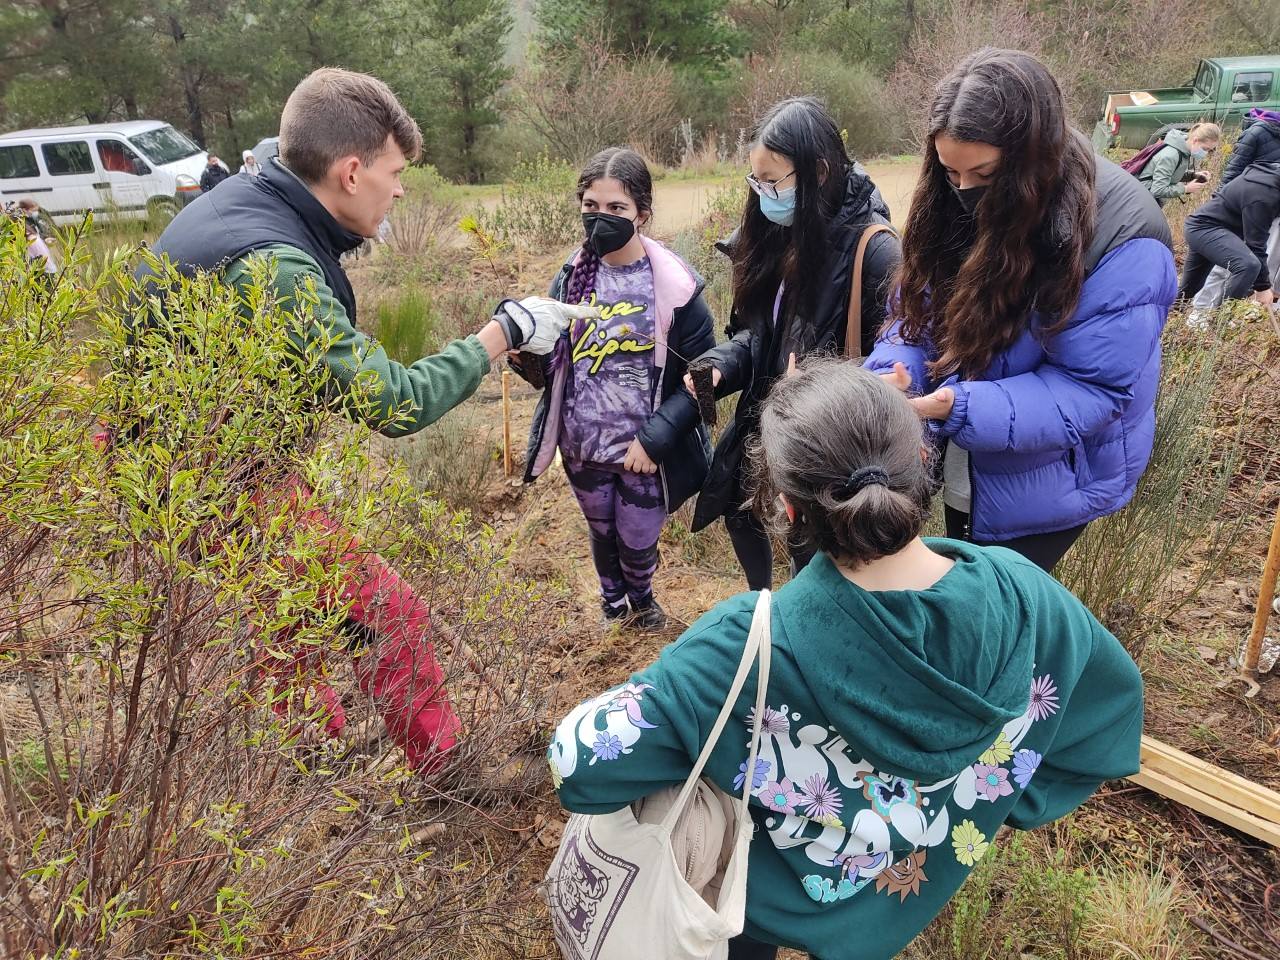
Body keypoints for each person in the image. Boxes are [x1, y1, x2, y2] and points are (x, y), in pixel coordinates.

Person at [548, 359, 1144, 960]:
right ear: (921, 459)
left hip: (750, 903)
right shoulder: (1023, 594)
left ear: (785, 506)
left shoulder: (747, 646)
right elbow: (1110, 716)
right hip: (907, 893)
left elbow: (578, 763)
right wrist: (993, 791)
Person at [142, 67, 595, 772]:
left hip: (176, 463)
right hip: (207, 480)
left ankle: (305, 765)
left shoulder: (252, 196)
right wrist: (502, 331)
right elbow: (394, 402)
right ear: (351, 172)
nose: (402, 188)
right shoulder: (275, 266)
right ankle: (447, 769)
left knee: (287, 611)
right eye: (395, 171)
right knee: (387, 612)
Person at [864, 48, 1175, 572]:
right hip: (969, 448)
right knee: (969, 589)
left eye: (983, 173)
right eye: (948, 172)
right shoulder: (955, 197)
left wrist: (955, 407)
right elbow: (913, 316)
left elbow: (1093, 389)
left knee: (1004, 609)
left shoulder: (1122, 236)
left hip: (1055, 472)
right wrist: (895, 373)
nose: (963, 191)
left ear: (1031, 158)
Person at [686, 96, 901, 591]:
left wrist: (821, 388)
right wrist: (722, 366)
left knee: (813, 547)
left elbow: (896, 362)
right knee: (739, 508)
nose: (762, 193)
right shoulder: (781, 232)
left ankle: (800, 625)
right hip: (769, 410)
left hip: (825, 435)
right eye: (755, 180)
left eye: (772, 181)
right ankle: (764, 605)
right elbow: (760, 334)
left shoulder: (876, 252)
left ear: (818, 173)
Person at [515, 148, 715, 629]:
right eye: (591, 207)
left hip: (645, 450)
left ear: (642, 214)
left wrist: (659, 436)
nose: (601, 219)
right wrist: (526, 358)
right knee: (601, 532)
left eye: (616, 209)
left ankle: (642, 601)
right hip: (582, 444)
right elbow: (554, 364)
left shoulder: (675, 286)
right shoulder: (569, 278)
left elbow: (705, 379)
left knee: (638, 534)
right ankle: (613, 605)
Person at [1192, 109, 1280, 314]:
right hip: (1244, 208)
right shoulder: (1257, 132)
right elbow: (1234, 169)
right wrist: (1220, 207)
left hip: (1271, 211)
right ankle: (1204, 311)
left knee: (1263, 262)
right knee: (1230, 264)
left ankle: (1255, 309)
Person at [1178, 160, 1280, 308]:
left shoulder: (1272, 178)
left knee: (1186, 292)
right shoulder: (1263, 196)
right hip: (1205, 229)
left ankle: (1167, 322)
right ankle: (1220, 322)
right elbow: (1255, 245)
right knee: (1248, 265)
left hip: (1209, 229)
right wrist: (1262, 287)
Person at [1134, 122, 1220, 206]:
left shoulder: (1184, 151)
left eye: (1209, 150)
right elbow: (1158, 190)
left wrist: (1193, 176)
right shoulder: (1171, 156)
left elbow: (1171, 174)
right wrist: (1186, 188)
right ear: (1195, 140)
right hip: (1142, 201)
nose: (1205, 153)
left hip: (1150, 200)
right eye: (1205, 149)